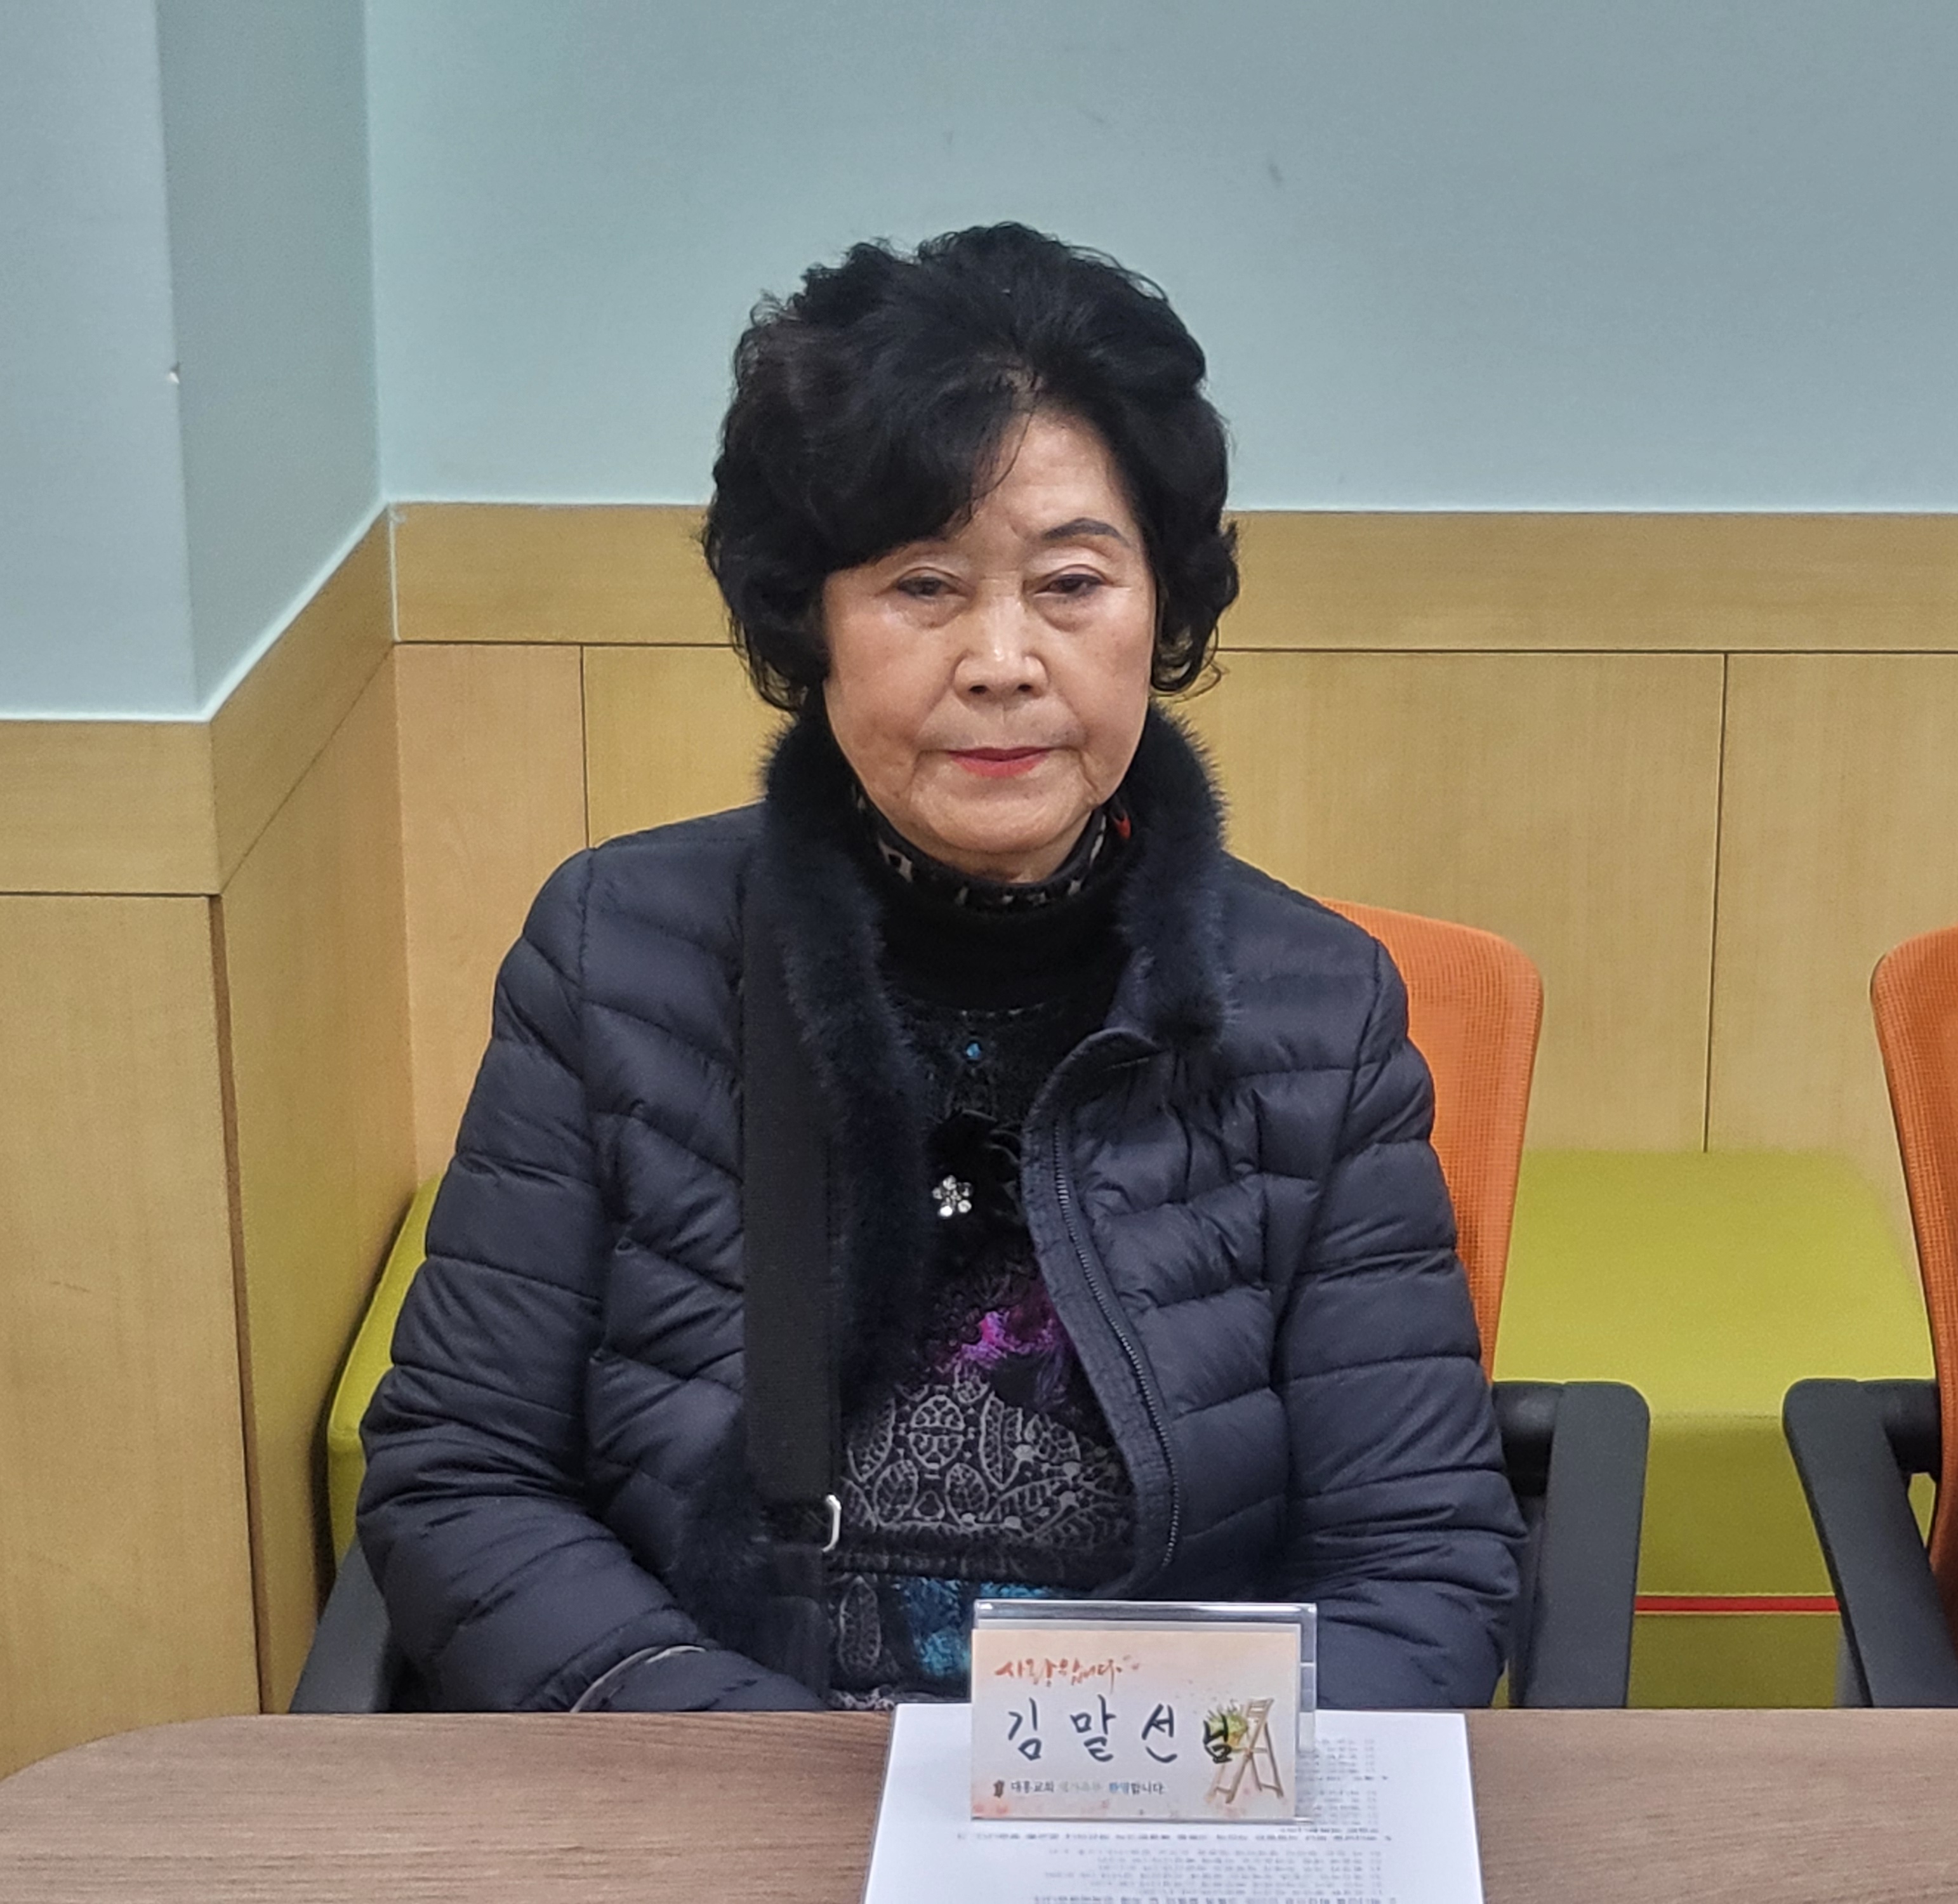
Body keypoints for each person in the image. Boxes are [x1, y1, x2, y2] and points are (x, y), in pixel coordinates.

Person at [358, 224, 1523, 1712]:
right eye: (921, 585)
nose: (1001, 660)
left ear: (1159, 608)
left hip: (1145, 1791)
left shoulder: (1317, 1011)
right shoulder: (617, 953)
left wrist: (1157, 1784)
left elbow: (1417, 1563)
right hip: (719, 1766)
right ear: (812, 621)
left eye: (1071, 583)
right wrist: (720, 1744)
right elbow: (462, 1477)